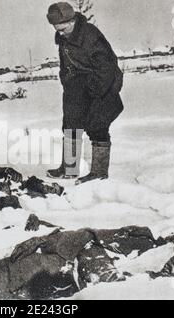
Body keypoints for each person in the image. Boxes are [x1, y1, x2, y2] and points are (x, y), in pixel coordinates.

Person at [45, 2, 124, 184]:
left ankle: (99, 172)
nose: (60, 33)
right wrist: (68, 82)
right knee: (71, 125)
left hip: (101, 84)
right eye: (57, 29)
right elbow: (67, 65)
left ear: (72, 20)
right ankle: (70, 168)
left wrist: (94, 91)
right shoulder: (64, 37)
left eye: (63, 28)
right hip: (77, 86)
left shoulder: (90, 35)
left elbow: (107, 66)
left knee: (97, 125)